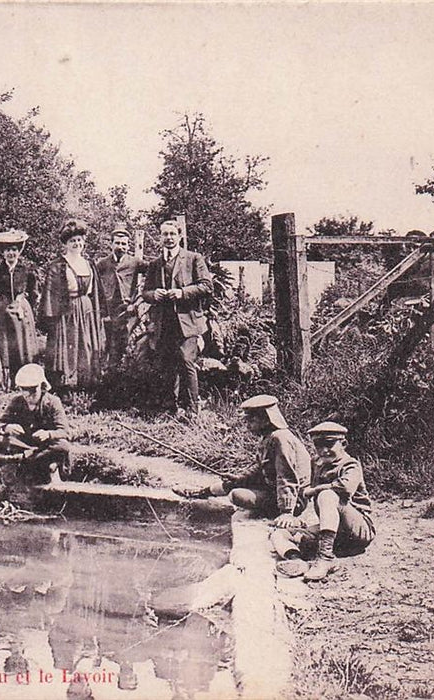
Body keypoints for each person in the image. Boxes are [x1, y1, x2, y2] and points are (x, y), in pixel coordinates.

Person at [174, 395, 311, 522]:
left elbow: (286, 476)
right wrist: (240, 478)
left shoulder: (280, 438)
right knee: (234, 483)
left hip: (295, 499)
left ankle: (275, 510)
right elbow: (259, 468)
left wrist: (286, 511)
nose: (248, 425)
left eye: (252, 420)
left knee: (237, 495)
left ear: (266, 419)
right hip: (274, 488)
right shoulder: (268, 437)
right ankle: (202, 493)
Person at [272, 422, 376, 582]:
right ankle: (297, 561)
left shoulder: (350, 465)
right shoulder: (318, 464)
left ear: (343, 444)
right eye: (318, 446)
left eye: (329, 445)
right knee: (279, 534)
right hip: (334, 534)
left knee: (327, 494)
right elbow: (310, 495)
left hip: (357, 531)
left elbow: (345, 488)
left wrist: (314, 490)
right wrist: (302, 518)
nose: (323, 451)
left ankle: (325, 558)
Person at [141, 220, 213, 419]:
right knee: (166, 363)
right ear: (160, 237)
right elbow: (145, 291)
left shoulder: (193, 258)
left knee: (186, 361)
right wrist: (154, 294)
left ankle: (192, 410)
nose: (169, 238)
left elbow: (207, 286)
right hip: (164, 321)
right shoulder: (155, 264)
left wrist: (182, 293)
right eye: (165, 234)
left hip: (187, 320)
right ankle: (169, 408)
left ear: (180, 236)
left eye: (172, 234)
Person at [39, 219, 102, 391]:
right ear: (66, 244)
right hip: (67, 312)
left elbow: (96, 292)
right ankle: (65, 386)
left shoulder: (89, 264)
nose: (77, 243)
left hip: (86, 309)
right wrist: (52, 320)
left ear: (84, 242)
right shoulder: (57, 266)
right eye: (72, 241)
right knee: (68, 347)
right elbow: (50, 294)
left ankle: (86, 386)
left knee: (86, 346)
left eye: (79, 240)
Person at [0, 363, 70, 484]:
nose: (27, 395)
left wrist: (48, 434)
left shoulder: (53, 402)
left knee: (63, 446)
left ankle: (22, 460)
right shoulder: (17, 401)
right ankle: (34, 461)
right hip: (23, 443)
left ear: (42, 387)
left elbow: (64, 431)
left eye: (32, 390)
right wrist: (7, 427)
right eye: (23, 389)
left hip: (43, 444)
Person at [0, 229, 40, 388]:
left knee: (22, 345)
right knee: (4, 345)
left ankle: (23, 379)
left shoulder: (27, 271)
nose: (11, 253)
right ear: (2, 252)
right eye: (7, 250)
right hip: (2, 312)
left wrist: (26, 305)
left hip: (20, 311)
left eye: (14, 250)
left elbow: (34, 293)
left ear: (19, 251)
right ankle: (5, 381)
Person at [94, 226, 146, 372]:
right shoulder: (102, 264)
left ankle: (120, 375)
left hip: (126, 311)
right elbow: (94, 285)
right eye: (117, 243)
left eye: (124, 244)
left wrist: (139, 299)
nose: (120, 247)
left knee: (124, 344)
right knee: (106, 343)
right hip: (108, 310)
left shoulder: (135, 262)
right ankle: (103, 374)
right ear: (111, 244)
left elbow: (155, 271)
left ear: (128, 246)